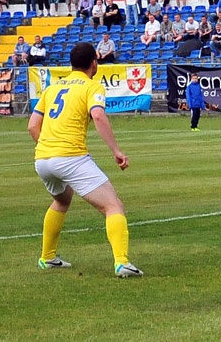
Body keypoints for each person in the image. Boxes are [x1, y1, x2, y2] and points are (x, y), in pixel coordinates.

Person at [28, 42, 141, 277]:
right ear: (94, 63)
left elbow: (32, 126)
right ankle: (122, 262)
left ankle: (47, 258)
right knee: (113, 206)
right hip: (70, 157)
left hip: (43, 159)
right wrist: (116, 151)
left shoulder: (52, 87)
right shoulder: (92, 86)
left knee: (61, 201)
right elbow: (98, 116)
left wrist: (49, 147)